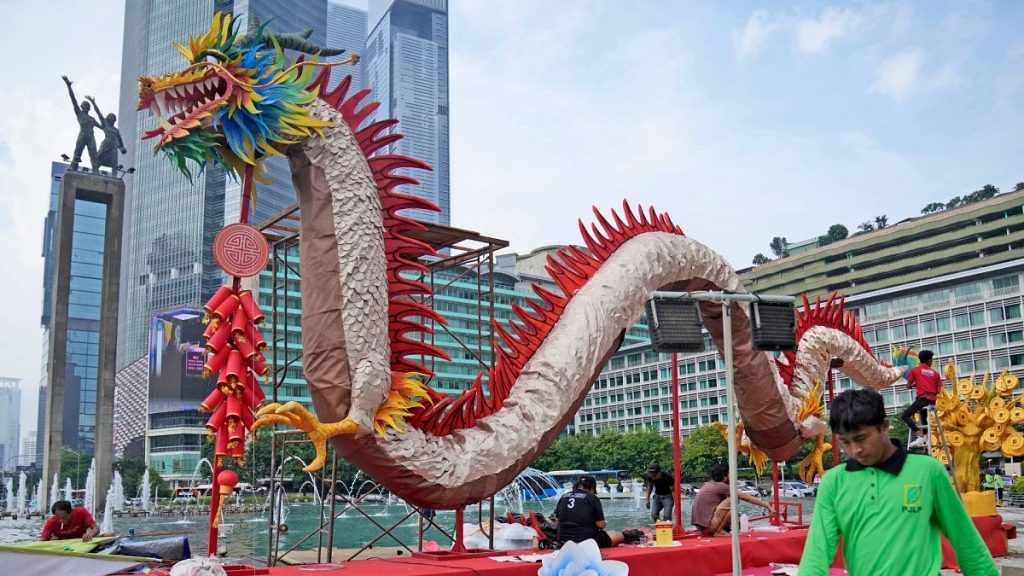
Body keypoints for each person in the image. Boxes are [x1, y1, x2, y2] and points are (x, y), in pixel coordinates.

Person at [799, 388, 998, 575]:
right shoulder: (834, 482)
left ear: (884, 427)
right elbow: (818, 551)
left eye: (861, 438)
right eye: (845, 442)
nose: (855, 450)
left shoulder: (928, 471)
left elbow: (964, 538)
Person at [691, 461, 772, 536]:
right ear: (724, 476)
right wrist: (767, 506)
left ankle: (719, 529)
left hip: (702, 528)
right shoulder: (721, 486)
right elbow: (746, 498)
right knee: (734, 499)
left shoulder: (709, 484)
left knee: (731, 499)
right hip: (708, 528)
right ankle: (719, 530)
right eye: (729, 473)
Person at [553, 475, 624, 548]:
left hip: (563, 541)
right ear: (592, 488)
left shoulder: (563, 496)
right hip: (587, 542)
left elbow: (558, 522)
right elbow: (601, 525)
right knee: (619, 536)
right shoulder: (592, 497)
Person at [900, 349, 942, 448]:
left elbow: (908, 385)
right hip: (932, 401)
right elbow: (939, 390)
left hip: (923, 400)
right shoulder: (935, 373)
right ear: (928, 360)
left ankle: (918, 434)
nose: (931, 362)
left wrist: (914, 385)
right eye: (931, 360)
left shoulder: (915, 370)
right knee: (923, 417)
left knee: (905, 416)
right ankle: (926, 437)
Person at [62, 75, 100, 172]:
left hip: (91, 136)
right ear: (81, 106)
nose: (87, 106)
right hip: (83, 134)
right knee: (78, 153)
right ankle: (73, 168)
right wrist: (68, 85)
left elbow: (102, 127)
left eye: (88, 105)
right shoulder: (79, 113)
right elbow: (73, 99)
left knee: (94, 154)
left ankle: (95, 171)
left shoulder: (92, 118)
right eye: (85, 105)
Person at [85, 95, 127, 173]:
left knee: (114, 163)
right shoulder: (105, 124)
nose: (112, 118)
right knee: (98, 159)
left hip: (114, 146)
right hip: (106, 144)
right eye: (111, 117)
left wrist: (122, 147)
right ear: (108, 118)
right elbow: (98, 113)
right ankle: (95, 172)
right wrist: (93, 102)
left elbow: (120, 140)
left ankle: (114, 177)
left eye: (114, 118)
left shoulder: (116, 130)